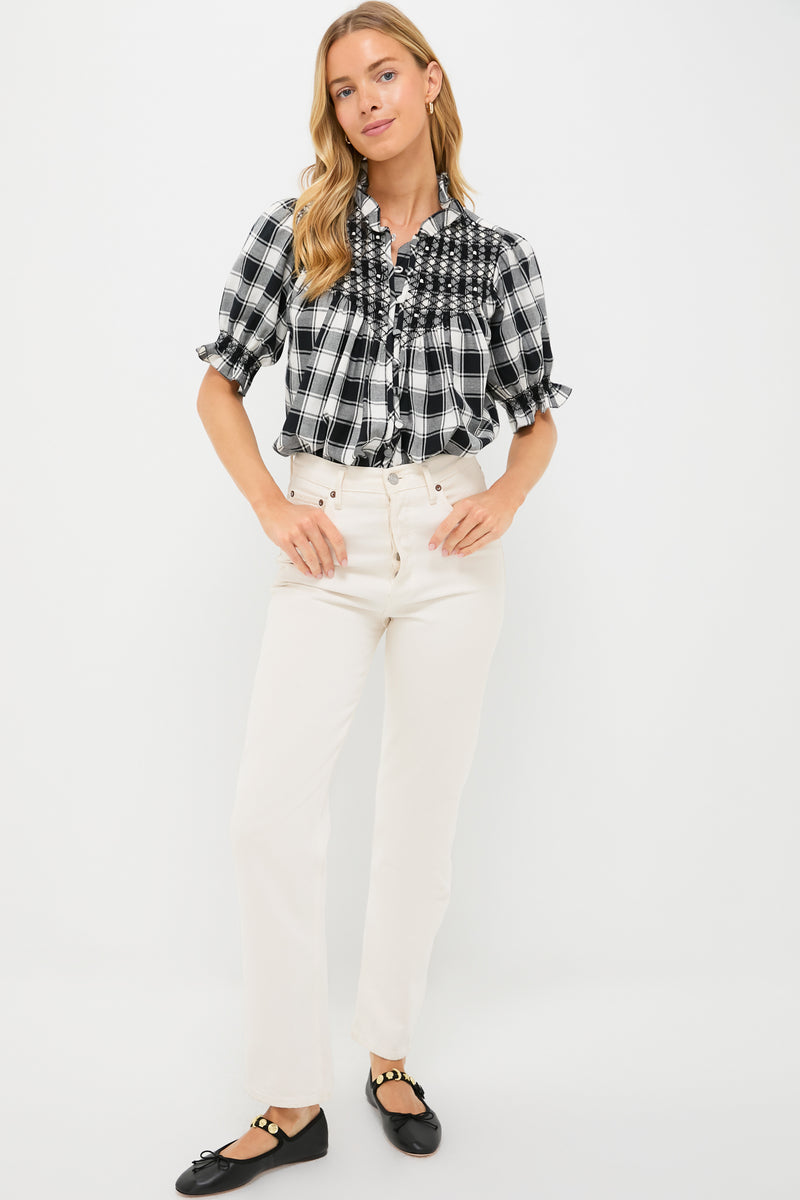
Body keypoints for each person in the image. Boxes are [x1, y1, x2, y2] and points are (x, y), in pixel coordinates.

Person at [175, 2, 571, 1193]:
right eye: (344, 89)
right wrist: (271, 505)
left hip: (451, 543)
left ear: (429, 81)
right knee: (266, 816)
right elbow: (218, 386)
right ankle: (289, 1099)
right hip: (325, 542)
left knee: (419, 815)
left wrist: (505, 497)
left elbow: (536, 416)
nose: (366, 102)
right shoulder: (295, 231)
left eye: (383, 75)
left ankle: (388, 1057)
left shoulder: (496, 257)